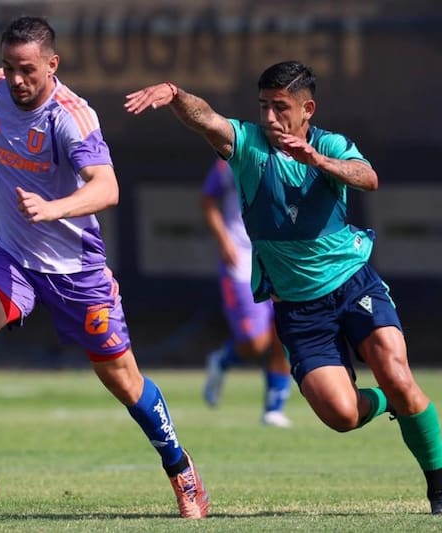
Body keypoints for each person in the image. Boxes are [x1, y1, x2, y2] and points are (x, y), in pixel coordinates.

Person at [125, 60, 442, 514]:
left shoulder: (331, 144)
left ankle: (438, 486)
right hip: (299, 307)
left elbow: (368, 178)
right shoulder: (248, 146)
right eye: (264, 107)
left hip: (353, 284)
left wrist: (318, 161)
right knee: (341, 415)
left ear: (307, 109)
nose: (270, 117)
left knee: (396, 372)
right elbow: (207, 119)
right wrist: (176, 95)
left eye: (280, 107)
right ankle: (396, 402)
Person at [0, 16, 209, 519]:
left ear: (53, 64)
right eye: (8, 66)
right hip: (13, 255)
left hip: (76, 269)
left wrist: (54, 209)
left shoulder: (72, 117)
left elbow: (107, 188)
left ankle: (180, 467)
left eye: (27, 69)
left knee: (123, 380)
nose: (16, 79)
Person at [200, 158, 293, 428]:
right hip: (240, 263)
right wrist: (224, 240)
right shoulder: (230, 159)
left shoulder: (294, 156)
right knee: (256, 342)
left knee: (285, 334)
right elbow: (207, 200)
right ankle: (222, 360)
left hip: (280, 260)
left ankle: (274, 409)